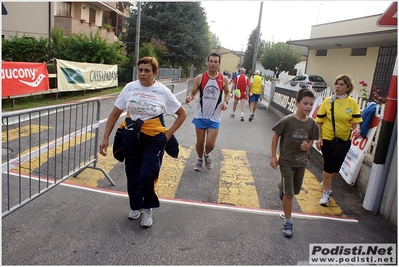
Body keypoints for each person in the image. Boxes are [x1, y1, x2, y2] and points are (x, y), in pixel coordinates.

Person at [99, 56, 187, 228]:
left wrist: (168, 135)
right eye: (140, 70)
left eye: (147, 70)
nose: (143, 73)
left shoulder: (162, 91)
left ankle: (147, 208)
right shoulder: (130, 88)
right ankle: (136, 206)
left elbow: (182, 114)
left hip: (154, 139)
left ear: (155, 73)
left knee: (147, 174)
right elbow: (115, 114)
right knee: (132, 174)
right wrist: (105, 137)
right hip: (131, 136)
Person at [270, 88, 319, 238]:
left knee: (294, 191)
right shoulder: (287, 120)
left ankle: (283, 189)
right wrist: (273, 156)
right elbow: (275, 136)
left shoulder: (312, 123)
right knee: (290, 195)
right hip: (286, 162)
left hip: (301, 162)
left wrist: (309, 145)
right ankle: (288, 222)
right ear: (297, 103)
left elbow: (312, 138)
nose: (309, 107)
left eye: (311, 104)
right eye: (305, 103)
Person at [315, 74, 362, 207]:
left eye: (341, 84)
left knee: (336, 167)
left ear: (348, 88)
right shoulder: (328, 101)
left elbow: (356, 121)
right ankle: (326, 192)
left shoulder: (352, 103)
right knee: (329, 166)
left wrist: (357, 129)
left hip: (344, 141)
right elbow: (319, 122)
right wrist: (319, 139)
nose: (338, 86)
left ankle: (326, 182)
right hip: (328, 138)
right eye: (337, 83)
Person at [185, 52, 230, 171]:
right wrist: (190, 97)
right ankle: (199, 159)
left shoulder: (223, 79)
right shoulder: (201, 78)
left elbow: (228, 92)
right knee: (200, 142)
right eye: (211, 61)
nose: (213, 64)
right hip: (200, 115)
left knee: (210, 144)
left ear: (219, 63)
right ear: (207, 62)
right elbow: (193, 92)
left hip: (215, 116)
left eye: (216, 62)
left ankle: (207, 154)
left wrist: (226, 101)